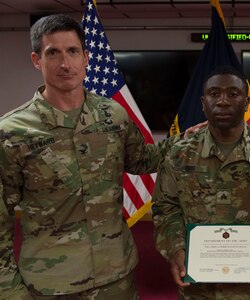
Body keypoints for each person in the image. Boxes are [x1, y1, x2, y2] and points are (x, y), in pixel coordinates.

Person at [0, 14, 173, 299]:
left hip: (116, 277)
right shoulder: (11, 132)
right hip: (52, 283)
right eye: (52, 52)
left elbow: (142, 160)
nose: (65, 64)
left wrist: (189, 138)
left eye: (73, 51)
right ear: (36, 60)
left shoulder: (113, 115)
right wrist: (9, 290)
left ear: (86, 57)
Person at [152, 65, 250, 299]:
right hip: (197, 287)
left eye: (233, 94)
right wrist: (176, 249)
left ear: (247, 103)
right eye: (214, 94)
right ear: (203, 103)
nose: (223, 101)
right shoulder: (179, 153)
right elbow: (166, 210)